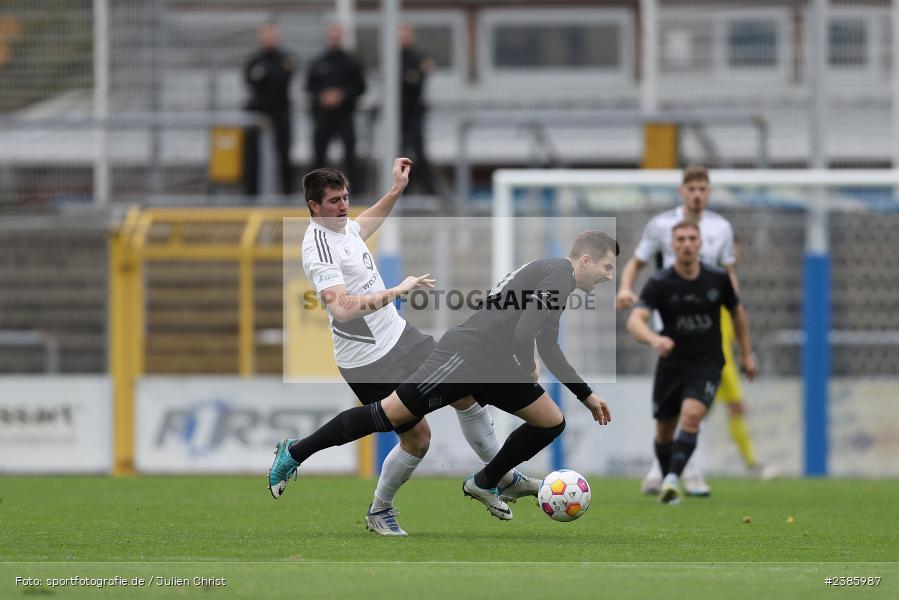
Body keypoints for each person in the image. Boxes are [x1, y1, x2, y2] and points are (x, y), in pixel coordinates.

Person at [270, 230, 617, 522]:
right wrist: (526, 365)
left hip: (493, 362)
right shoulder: (558, 275)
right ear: (585, 260)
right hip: (465, 357)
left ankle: (486, 481)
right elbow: (526, 333)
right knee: (387, 415)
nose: (609, 276)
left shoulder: (559, 280)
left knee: (551, 421)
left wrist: (586, 396)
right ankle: (296, 451)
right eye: (607, 267)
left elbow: (547, 343)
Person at [279, 157, 540, 536]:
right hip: (368, 358)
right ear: (313, 207)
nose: (343, 206)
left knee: (465, 387)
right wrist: (395, 291)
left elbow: (362, 226)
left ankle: (501, 477)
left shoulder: (342, 228)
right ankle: (378, 509)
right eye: (334, 200)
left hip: (400, 337)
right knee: (417, 439)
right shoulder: (317, 248)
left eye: (345, 197)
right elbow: (341, 308)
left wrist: (395, 191)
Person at [615, 164, 766, 496]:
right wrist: (626, 289)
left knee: (694, 408)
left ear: (709, 192)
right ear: (681, 192)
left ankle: (683, 473)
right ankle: (667, 466)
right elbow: (637, 261)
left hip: (710, 324)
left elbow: (729, 275)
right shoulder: (659, 226)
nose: (697, 195)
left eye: (703, 189)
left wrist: (737, 314)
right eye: (691, 189)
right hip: (668, 324)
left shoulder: (721, 228)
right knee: (670, 415)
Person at [306, 24, 366, 191]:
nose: (334, 38)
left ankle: (355, 191)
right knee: (319, 154)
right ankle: (316, 191)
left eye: (337, 35)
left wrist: (342, 95)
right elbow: (309, 87)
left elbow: (360, 87)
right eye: (331, 35)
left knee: (350, 155)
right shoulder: (318, 62)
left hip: (344, 116)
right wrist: (322, 96)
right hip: (323, 117)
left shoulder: (351, 62)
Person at [242, 21, 296, 196]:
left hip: (280, 112)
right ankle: (251, 193)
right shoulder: (254, 59)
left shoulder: (285, 58)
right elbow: (249, 80)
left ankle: (287, 193)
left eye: (271, 36)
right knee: (252, 155)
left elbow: (283, 79)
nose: (268, 39)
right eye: (265, 36)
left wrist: (265, 76)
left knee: (284, 153)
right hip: (259, 113)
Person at [399, 24, 439, 196]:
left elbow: (418, 80)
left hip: (414, 113)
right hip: (396, 115)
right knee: (399, 153)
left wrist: (407, 78)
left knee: (418, 152)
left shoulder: (418, 56)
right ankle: (401, 190)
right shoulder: (390, 56)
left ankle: (429, 191)